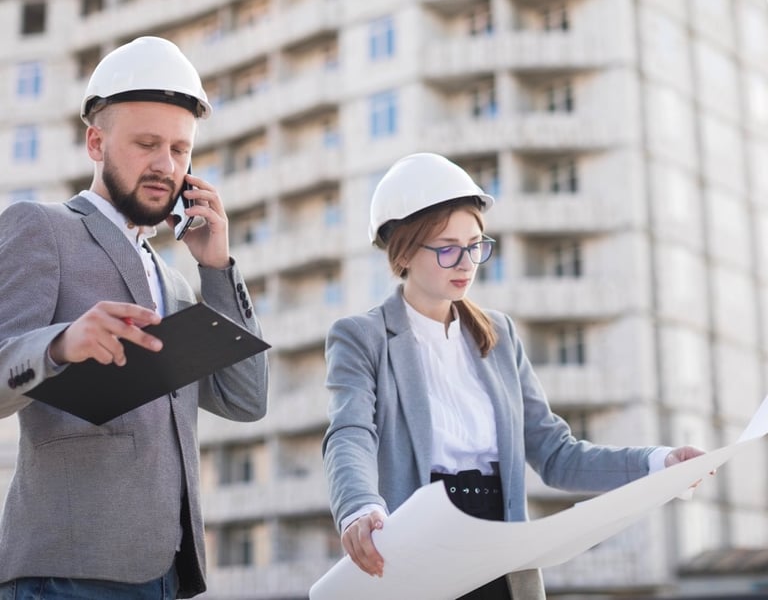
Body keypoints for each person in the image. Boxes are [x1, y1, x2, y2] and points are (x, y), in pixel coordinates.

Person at [322, 152, 704, 600]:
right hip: (416, 555)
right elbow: (350, 432)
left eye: (476, 245)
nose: (466, 263)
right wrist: (359, 508)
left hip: (500, 559)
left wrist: (658, 464)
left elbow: (557, 455)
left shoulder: (498, 335)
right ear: (402, 251)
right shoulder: (361, 337)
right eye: (447, 248)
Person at [0, 36, 269, 599]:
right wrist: (61, 345)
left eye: (180, 148)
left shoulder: (172, 283)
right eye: (147, 144)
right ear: (95, 142)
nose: (165, 165)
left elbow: (245, 400)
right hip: (67, 571)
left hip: (167, 571)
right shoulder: (41, 228)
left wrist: (217, 267)